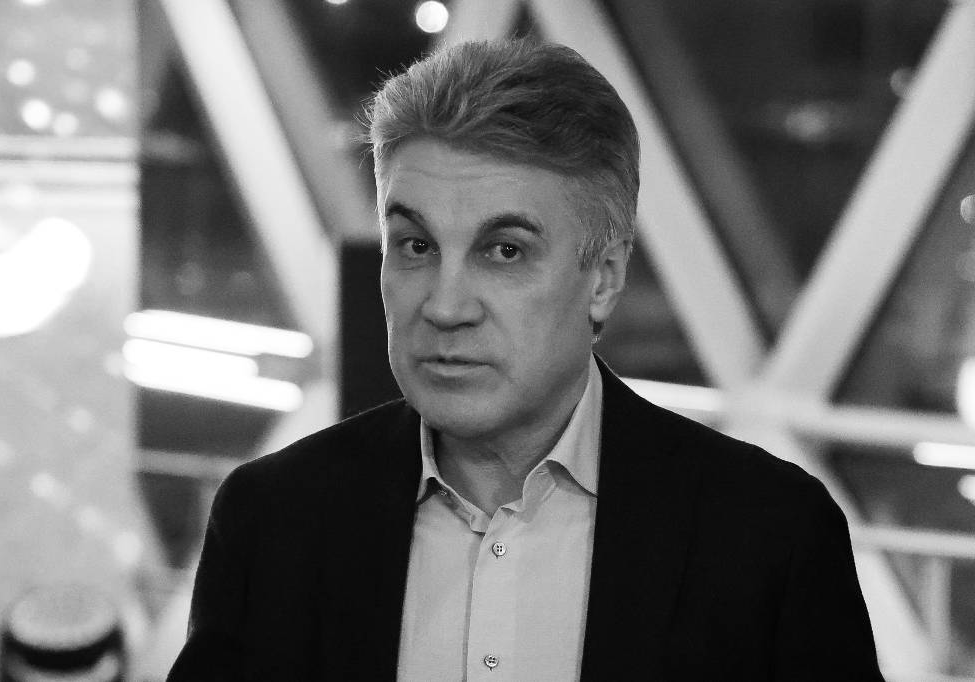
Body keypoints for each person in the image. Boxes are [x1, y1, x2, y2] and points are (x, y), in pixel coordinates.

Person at [168, 39, 883, 681]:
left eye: (504, 251)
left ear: (603, 279)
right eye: (416, 246)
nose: (445, 305)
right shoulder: (273, 521)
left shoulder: (770, 537)